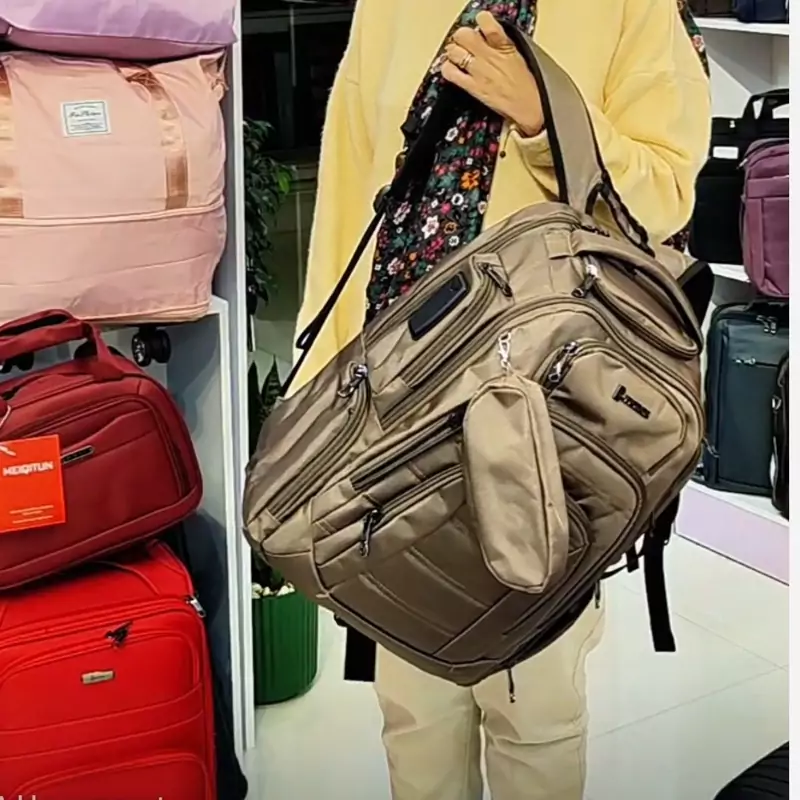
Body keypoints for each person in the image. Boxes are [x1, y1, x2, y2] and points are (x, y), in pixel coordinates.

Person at [292, 0, 711, 798]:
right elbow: (349, 192)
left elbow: (664, 198)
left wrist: (546, 120)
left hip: (544, 419)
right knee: (414, 709)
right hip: (397, 410)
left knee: (534, 706)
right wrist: (322, 398)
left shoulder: (631, 8)